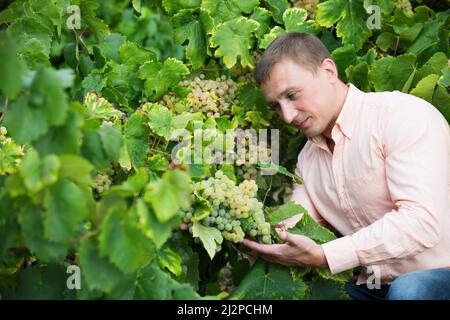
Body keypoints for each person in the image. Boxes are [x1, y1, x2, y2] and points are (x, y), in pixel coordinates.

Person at [242, 32, 450, 300]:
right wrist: (215, 215)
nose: (287, 115)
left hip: (441, 275)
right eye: (277, 106)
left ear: (328, 70)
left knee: (410, 290)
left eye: (292, 95)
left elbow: (420, 223)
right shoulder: (308, 159)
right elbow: (290, 228)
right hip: (374, 287)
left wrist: (326, 255)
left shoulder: (400, 116)